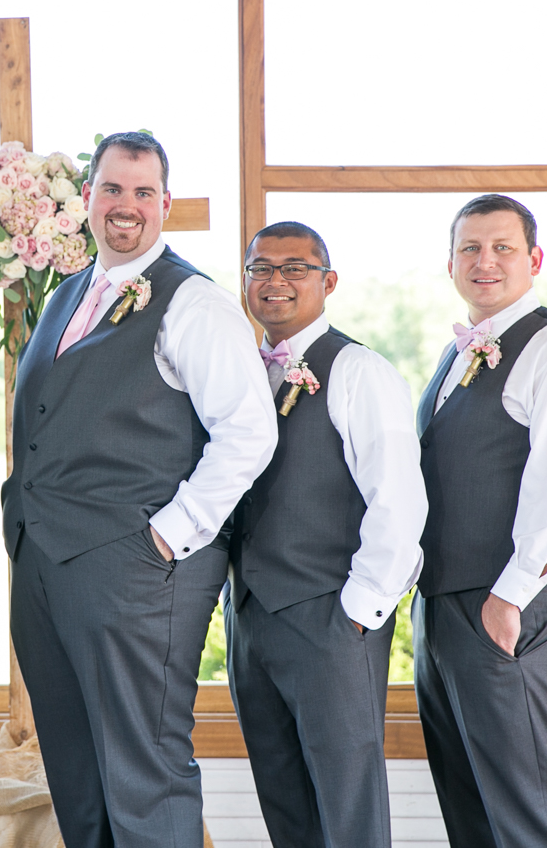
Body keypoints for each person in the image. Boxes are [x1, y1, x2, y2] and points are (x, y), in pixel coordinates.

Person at [4, 132, 276, 848]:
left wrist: (166, 536)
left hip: (136, 572)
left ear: (165, 204)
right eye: (113, 189)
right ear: (87, 200)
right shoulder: (67, 295)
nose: (127, 206)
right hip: (47, 565)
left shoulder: (194, 303)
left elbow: (249, 432)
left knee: (144, 775)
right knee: (78, 773)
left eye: (143, 192)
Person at [414, 194, 547, 848]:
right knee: (472, 812)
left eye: (502, 247)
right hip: (445, 604)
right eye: (470, 248)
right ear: (450, 264)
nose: (485, 261)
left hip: (506, 605)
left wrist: (510, 597)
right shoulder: (460, 352)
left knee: (533, 817)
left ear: (535, 259)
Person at [225, 221, 427, 848]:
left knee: (347, 809)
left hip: (331, 619)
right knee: (285, 802)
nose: (276, 280)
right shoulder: (239, 374)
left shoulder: (359, 371)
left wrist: (359, 615)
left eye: (296, 267)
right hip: (251, 618)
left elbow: (398, 500)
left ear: (327, 282)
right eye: (262, 268)